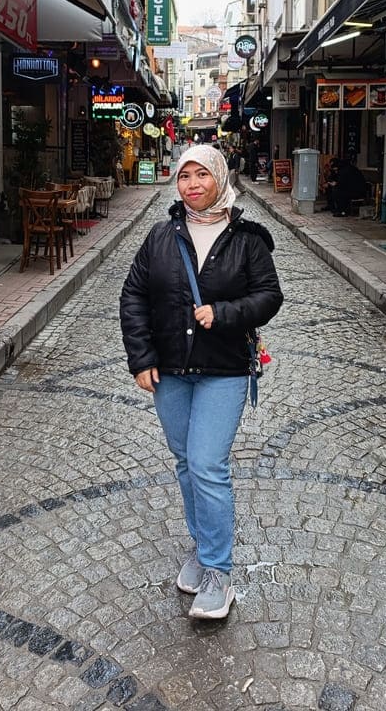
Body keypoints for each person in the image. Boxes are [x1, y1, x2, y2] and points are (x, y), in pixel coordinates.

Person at [119, 145, 283, 619]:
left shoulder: (248, 238)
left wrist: (225, 313)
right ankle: (201, 545)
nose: (191, 184)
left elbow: (269, 296)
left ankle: (218, 570)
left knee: (209, 464)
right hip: (169, 369)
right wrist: (141, 357)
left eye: (200, 175)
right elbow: (133, 296)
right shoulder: (159, 236)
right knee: (186, 462)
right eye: (183, 176)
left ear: (219, 178)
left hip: (224, 369)